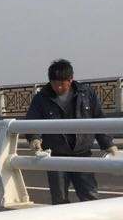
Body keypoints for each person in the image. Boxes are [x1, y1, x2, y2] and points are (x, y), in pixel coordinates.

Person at [25, 59, 118, 204]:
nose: (58, 87)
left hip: (82, 154)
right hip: (56, 156)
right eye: (54, 83)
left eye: (62, 83)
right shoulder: (41, 98)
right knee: (59, 199)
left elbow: (98, 118)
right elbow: (33, 120)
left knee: (89, 195)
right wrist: (34, 138)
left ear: (71, 80)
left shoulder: (86, 94)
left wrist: (107, 143)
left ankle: (92, 219)